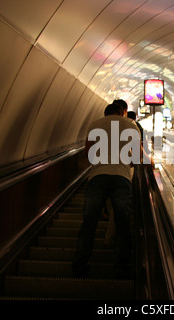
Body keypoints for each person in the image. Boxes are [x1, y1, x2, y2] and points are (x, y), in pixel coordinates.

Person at [72, 103, 141, 280]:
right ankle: (121, 268)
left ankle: (80, 266)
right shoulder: (131, 125)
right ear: (122, 112)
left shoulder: (95, 124)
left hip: (98, 176)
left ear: (106, 113)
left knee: (88, 223)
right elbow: (137, 156)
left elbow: (89, 153)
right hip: (122, 177)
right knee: (122, 223)